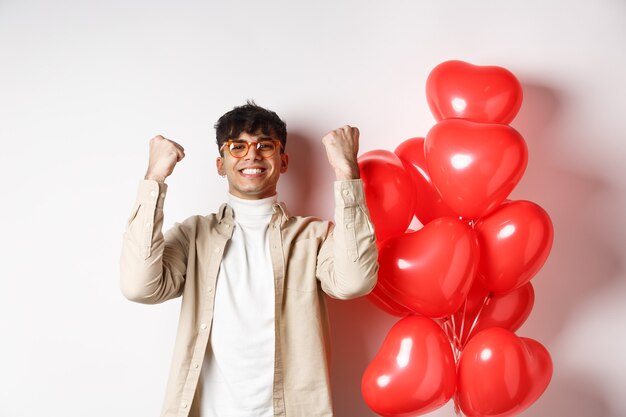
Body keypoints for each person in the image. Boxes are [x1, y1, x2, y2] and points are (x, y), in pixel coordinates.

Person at [120, 101, 379, 417]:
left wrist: (346, 171)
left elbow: (354, 282)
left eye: (265, 146)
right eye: (237, 146)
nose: (252, 155)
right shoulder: (194, 234)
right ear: (221, 164)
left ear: (283, 161)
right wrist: (154, 179)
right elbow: (139, 286)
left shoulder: (314, 235)